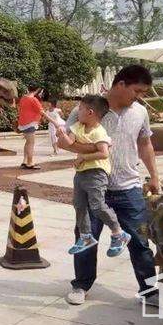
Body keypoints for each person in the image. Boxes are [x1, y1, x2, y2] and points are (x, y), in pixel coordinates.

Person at [58, 65, 160, 307]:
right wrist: (99, 149)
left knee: (140, 240)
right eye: (137, 91)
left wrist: (154, 176)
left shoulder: (140, 112)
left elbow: (145, 144)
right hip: (93, 186)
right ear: (121, 84)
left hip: (128, 187)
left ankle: (148, 290)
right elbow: (66, 144)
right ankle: (81, 284)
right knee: (86, 236)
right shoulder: (86, 110)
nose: (140, 97)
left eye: (143, 93)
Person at [57, 95, 131, 257]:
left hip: (96, 173)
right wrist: (62, 134)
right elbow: (68, 143)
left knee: (97, 205)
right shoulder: (78, 126)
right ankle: (85, 236)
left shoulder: (99, 132)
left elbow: (104, 153)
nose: (78, 112)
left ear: (90, 112)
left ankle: (119, 233)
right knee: (79, 204)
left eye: (80, 109)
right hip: (81, 173)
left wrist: (84, 157)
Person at [16, 86, 44, 169]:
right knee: (31, 143)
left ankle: (25, 161)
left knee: (28, 143)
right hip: (30, 123)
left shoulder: (23, 98)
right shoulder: (33, 99)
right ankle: (30, 162)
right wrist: (55, 122)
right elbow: (41, 112)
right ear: (38, 90)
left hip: (23, 123)